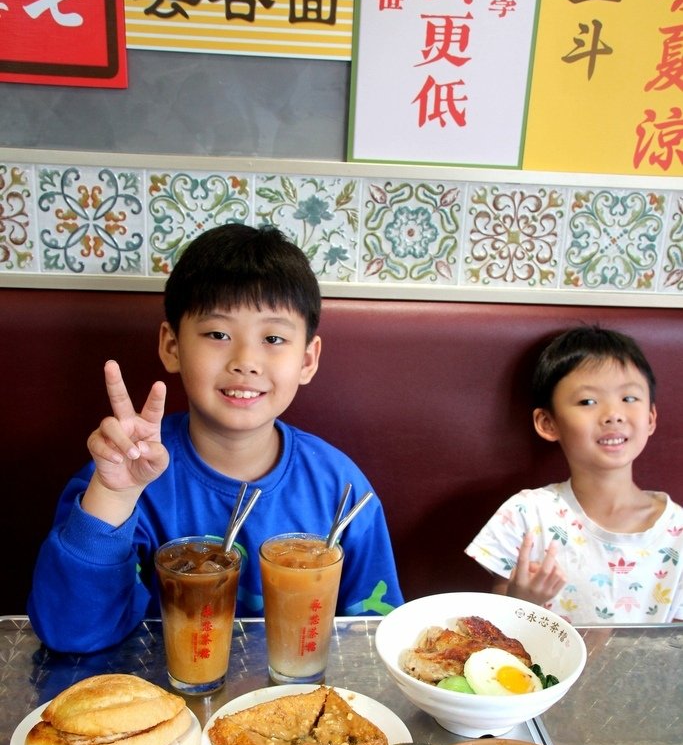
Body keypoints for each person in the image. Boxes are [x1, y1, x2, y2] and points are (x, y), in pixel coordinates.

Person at [28, 224, 403, 652]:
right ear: (172, 345)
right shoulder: (121, 474)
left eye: (274, 338)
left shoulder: (341, 487)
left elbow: (375, 642)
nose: (246, 361)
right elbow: (70, 635)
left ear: (307, 359)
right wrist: (114, 496)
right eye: (218, 334)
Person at [465, 325, 683, 624]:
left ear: (650, 417)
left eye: (629, 398)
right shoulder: (527, 515)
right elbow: (498, 634)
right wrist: (524, 602)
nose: (613, 414)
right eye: (588, 402)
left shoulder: (678, 534)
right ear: (547, 422)